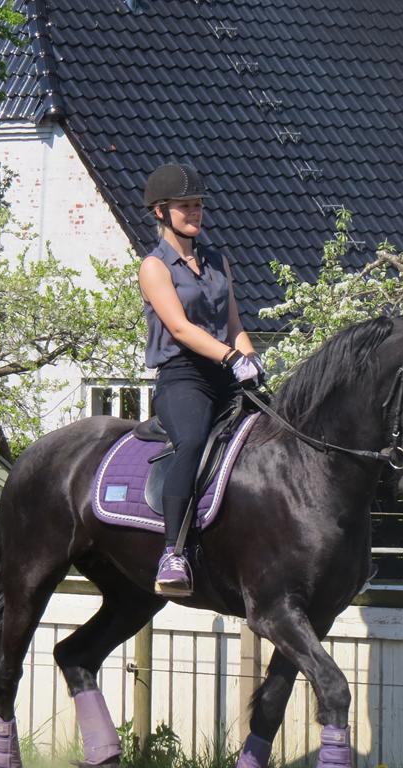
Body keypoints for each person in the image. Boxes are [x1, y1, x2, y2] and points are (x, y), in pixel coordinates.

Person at [139, 163, 263, 595]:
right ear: (161, 212)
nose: (194, 213)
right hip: (183, 376)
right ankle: (172, 553)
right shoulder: (154, 267)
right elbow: (179, 328)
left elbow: (233, 323)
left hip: (227, 371)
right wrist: (232, 357)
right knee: (192, 441)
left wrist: (249, 358)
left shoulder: (216, 260)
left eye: (197, 205)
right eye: (184, 206)